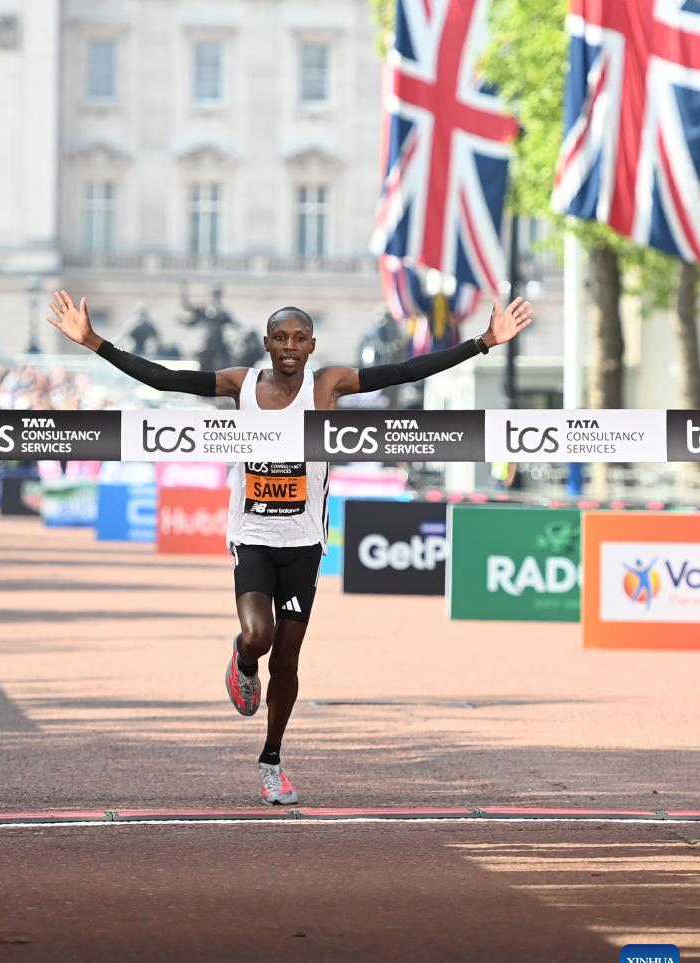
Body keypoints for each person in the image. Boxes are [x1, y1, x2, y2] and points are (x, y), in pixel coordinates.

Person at [47, 290, 533, 805]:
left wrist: (484, 341)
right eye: (280, 338)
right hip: (253, 537)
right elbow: (166, 379)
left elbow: (406, 371)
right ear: (267, 343)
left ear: (312, 346)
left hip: (304, 544)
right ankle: (242, 661)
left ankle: (272, 760)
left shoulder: (328, 385)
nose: (289, 347)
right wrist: (94, 342)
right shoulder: (241, 384)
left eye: (299, 339)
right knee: (259, 636)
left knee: (288, 660)